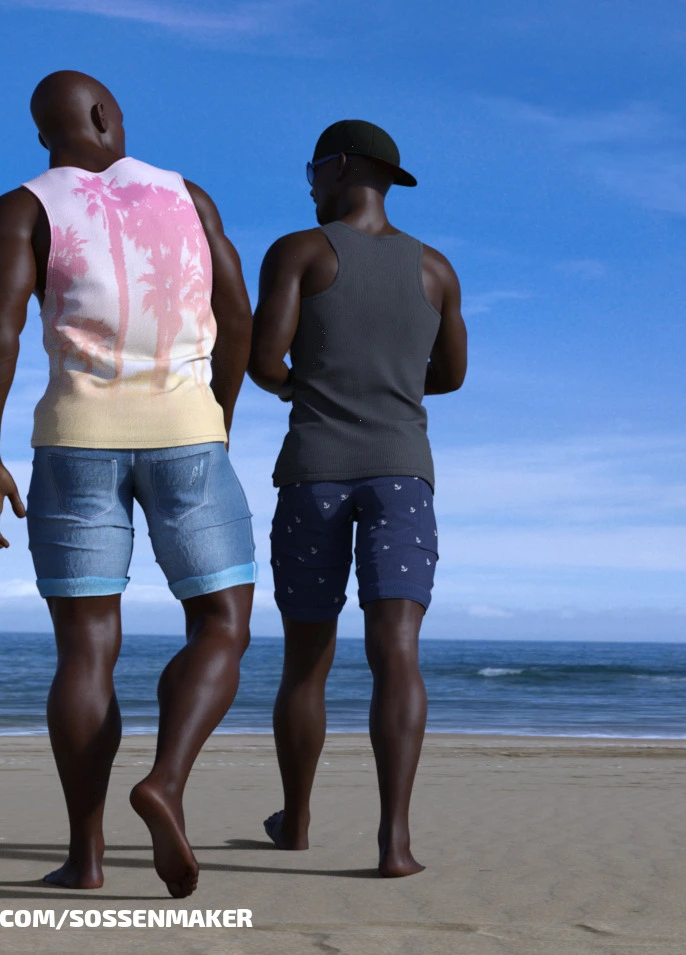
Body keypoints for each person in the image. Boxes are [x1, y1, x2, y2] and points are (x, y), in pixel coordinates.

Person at [0, 71, 257, 898]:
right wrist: (217, 412)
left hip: (75, 441)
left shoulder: (20, 208)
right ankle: (165, 779)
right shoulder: (187, 195)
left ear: (45, 134)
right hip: (188, 434)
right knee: (222, 623)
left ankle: (86, 858)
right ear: (103, 115)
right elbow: (237, 315)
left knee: (86, 649)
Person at [247, 120, 467, 878]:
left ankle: (297, 821)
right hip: (402, 475)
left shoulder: (299, 252)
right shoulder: (436, 268)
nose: (309, 184)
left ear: (339, 167)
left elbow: (263, 361)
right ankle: (394, 842)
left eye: (312, 169)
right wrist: (391, 384)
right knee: (397, 653)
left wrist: (311, 387)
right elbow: (451, 375)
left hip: (315, 471)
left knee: (306, 660)